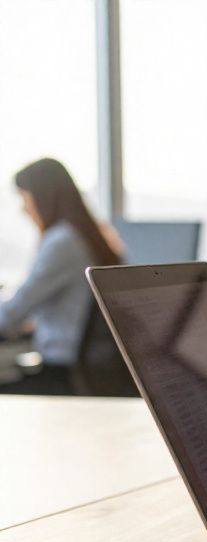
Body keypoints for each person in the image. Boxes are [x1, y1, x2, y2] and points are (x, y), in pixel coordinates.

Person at [1, 158, 121, 395]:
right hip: (89, 370)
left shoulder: (61, 243)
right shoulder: (91, 235)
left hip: (62, 374)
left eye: (24, 197)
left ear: (42, 196)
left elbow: (9, 315)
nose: (23, 208)